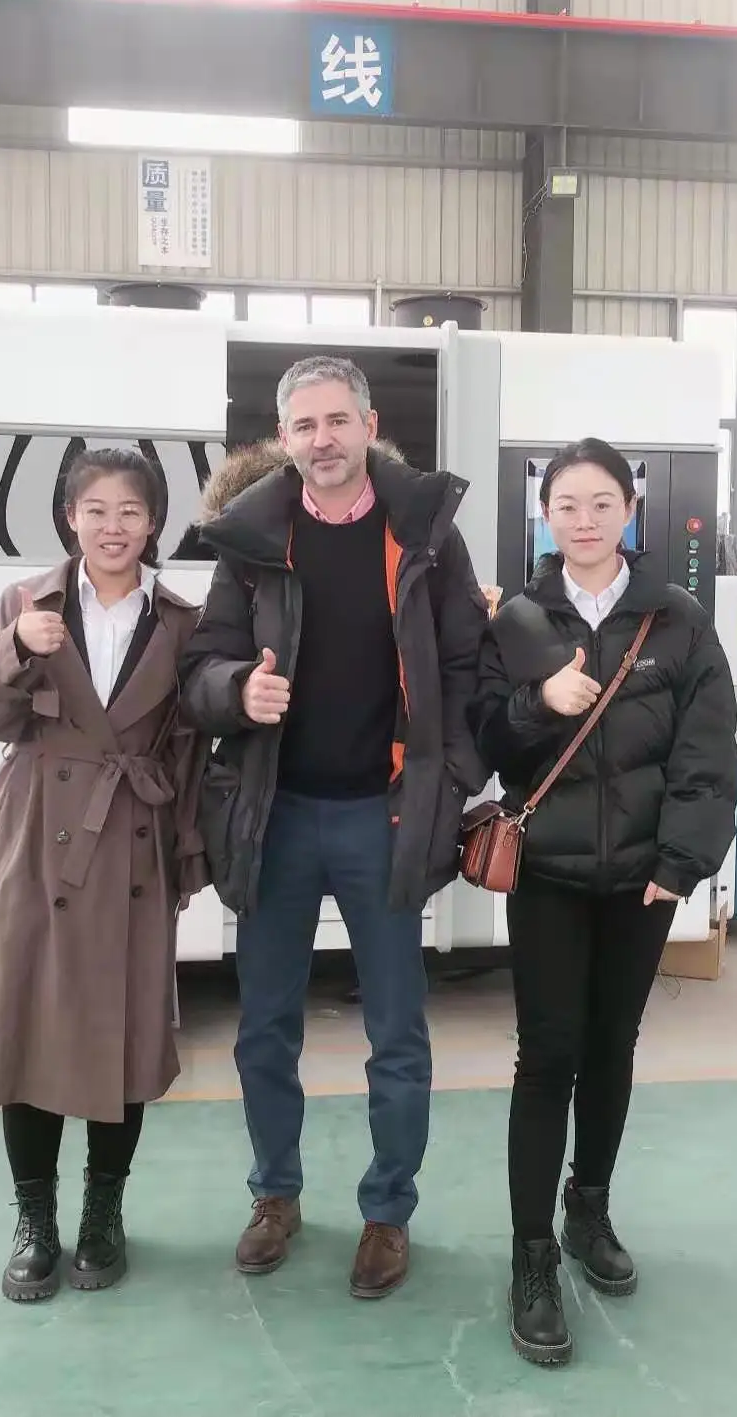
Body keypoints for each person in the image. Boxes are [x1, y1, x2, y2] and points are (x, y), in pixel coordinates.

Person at [179, 355, 489, 1299]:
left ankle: (387, 1211)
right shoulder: (252, 542)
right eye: (304, 425)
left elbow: (468, 669)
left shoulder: (425, 534)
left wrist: (449, 781)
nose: (322, 439)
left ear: (368, 425)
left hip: (382, 816)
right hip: (275, 817)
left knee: (397, 1032)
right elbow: (202, 669)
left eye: (337, 420)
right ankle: (274, 1195)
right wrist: (239, 689)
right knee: (264, 1028)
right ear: (284, 438)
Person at [469, 437, 737, 1366]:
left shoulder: (677, 620)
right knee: (547, 1057)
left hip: (640, 880)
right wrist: (538, 701)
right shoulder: (516, 620)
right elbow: (487, 741)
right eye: (566, 505)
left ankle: (589, 1208)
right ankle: (531, 1257)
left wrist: (683, 858)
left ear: (631, 509)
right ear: (544, 515)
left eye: (601, 503)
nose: (583, 521)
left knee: (612, 1047)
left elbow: (708, 751)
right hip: (546, 873)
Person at [0, 447, 208, 1303]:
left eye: (130, 511)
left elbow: (189, 747)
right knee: (25, 1026)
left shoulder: (182, 619)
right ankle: (35, 1219)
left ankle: (104, 1211)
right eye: (95, 509)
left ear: (154, 522)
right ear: (70, 518)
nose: (112, 527)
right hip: (31, 839)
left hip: (131, 839)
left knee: (121, 1031)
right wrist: (14, 648)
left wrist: (187, 852)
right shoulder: (27, 603)